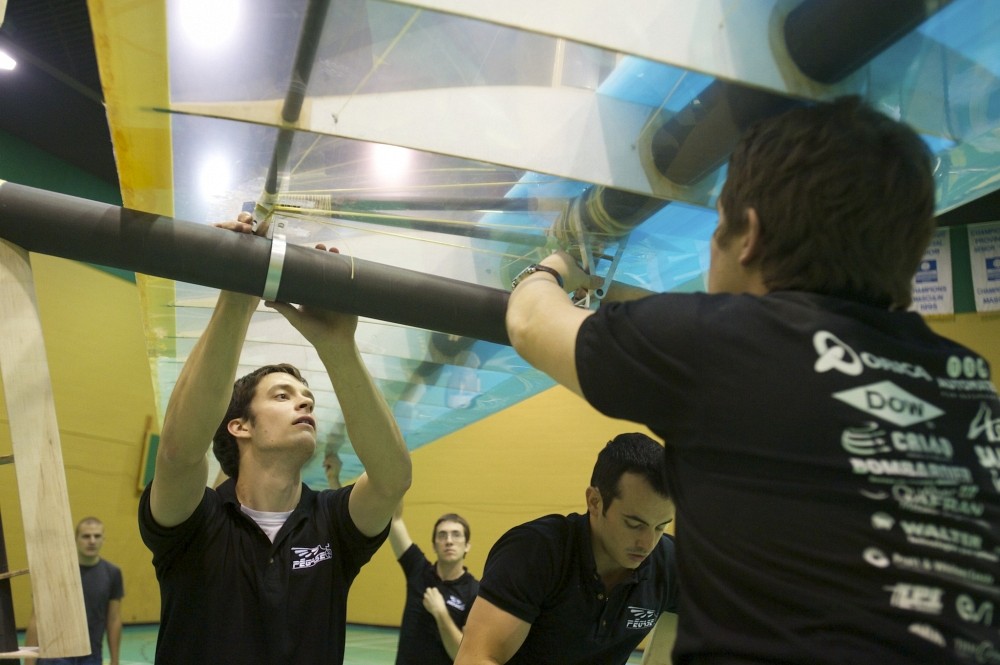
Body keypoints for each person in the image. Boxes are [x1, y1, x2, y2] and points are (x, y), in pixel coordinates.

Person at [505, 97, 1000, 663]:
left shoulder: (722, 344)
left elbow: (529, 323)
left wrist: (551, 265)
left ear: (750, 236)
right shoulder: (967, 383)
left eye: (715, 229)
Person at [137, 215, 412, 664]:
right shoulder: (194, 520)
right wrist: (237, 294)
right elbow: (178, 452)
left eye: (307, 398)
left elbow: (392, 478)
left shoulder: (332, 523)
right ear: (239, 426)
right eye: (283, 396)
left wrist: (338, 344)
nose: (304, 404)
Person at [455, 433, 678, 664]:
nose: (648, 543)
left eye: (661, 526)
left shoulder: (668, 563)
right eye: (634, 524)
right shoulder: (535, 552)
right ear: (594, 502)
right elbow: (476, 658)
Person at [26, 517, 123, 665]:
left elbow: (114, 619)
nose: (92, 541)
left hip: (91, 656)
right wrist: (29, 660)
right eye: (86, 536)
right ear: (75, 539)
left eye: (97, 536)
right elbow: (37, 618)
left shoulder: (113, 573)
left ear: (104, 539)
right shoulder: (53, 571)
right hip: (54, 656)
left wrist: (114, 660)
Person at [389, 506, 479, 664]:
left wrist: (441, 613)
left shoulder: (475, 592)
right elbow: (394, 519)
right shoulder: (418, 570)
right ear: (434, 545)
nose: (449, 541)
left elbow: (462, 655)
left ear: (467, 546)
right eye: (442, 535)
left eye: (456, 535)